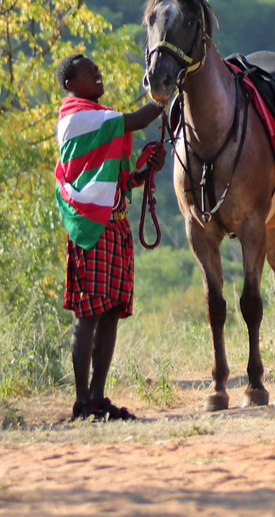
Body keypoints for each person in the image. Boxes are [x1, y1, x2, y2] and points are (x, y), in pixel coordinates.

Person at [54, 52, 166, 421]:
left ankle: (97, 399)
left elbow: (117, 181)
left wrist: (141, 173)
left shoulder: (99, 120)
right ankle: (82, 400)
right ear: (71, 85)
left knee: (111, 313)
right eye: (89, 72)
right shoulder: (76, 117)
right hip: (92, 226)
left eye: (97, 69)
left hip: (113, 223)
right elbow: (138, 119)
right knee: (89, 314)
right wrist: (168, 92)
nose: (97, 73)